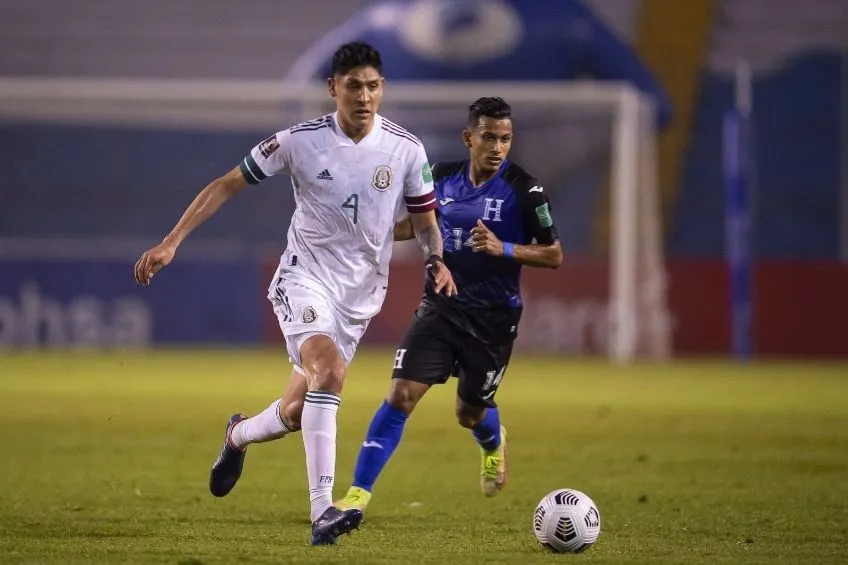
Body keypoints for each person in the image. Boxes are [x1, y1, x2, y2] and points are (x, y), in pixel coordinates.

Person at [132, 41, 456, 546]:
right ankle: (323, 510)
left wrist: (436, 260)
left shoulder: (406, 149)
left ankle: (238, 435)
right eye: (353, 86)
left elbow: (425, 222)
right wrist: (172, 241)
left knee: (298, 410)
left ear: (383, 89)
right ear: (333, 88)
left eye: (372, 87)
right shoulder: (297, 142)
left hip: (359, 298)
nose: (364, 96)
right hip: (304, 279)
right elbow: (227, 184)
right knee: (330, 371)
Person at [335, 96, 562, 513]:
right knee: (401, 395)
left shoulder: (525, 190)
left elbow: (553, 254)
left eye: (505, 139)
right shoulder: (440, 177)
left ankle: (492, 441)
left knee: (468, 413)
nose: (497, 147)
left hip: (493, 319)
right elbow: (416, 225)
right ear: (468, 138)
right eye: (489, 138)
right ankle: (356, 496)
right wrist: (370, 229)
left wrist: (503, 247)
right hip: (441, 305)